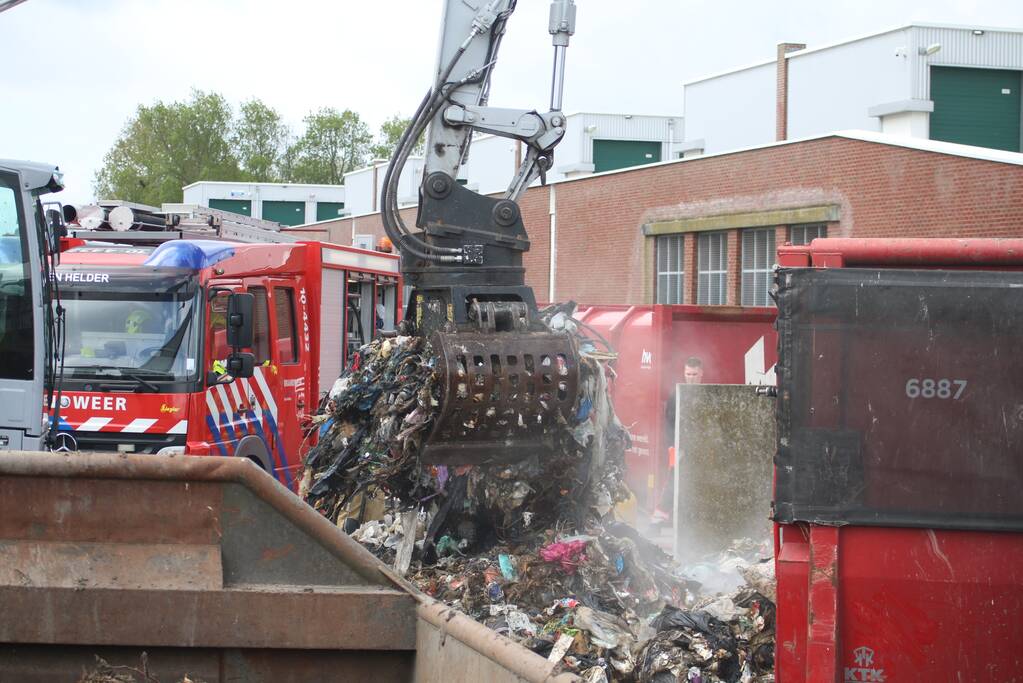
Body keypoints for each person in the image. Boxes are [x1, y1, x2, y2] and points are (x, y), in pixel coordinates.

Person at [653, 356, 704, 524]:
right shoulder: (677, 393)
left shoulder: (705, 394)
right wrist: (673, 446)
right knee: (675, 479)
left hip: (698, 447)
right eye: (688, 374)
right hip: (678, 446)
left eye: (694, 374)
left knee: (694, 482)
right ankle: (660, 516)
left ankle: (684, 519)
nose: (691, 377)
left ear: (701, 373)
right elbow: (669, 421)